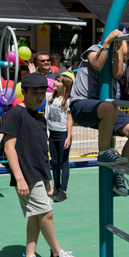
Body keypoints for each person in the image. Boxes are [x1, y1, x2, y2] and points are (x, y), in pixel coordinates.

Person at [0, 73, 83, 257]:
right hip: (27, 175)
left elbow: (41, 151)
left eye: (41, 92)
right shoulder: (15, 114)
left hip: (41, 174)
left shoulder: (38, 115)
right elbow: (9, 148)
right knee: (47, 213)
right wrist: (19, 177)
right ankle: (57, 254)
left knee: (36, 217)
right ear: (24, 92)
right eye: (34, 92)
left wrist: (49, 179)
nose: (39, 96)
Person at [68, 27, 129, 197]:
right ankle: (104, 152)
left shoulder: (121, 61)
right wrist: (109, 42)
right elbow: (96, 64)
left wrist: (118, 50)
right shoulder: (95, 49)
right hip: (81, 105)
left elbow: (116, 73)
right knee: (110, 107)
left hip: (104, 110)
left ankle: (119, 173)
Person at [45, 72, 76, 203]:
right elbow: (40, 87)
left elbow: (69, 120)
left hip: (62, 134)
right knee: (55, 162)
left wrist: (68, 137)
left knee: (64, 163)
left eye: (58, 81)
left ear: (65, 86)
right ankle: (56, 188)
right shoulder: (50, 98)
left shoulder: (68, 101)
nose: (55, 83)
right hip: (52, 134)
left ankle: (63, 190)